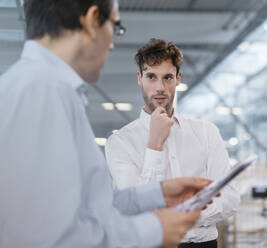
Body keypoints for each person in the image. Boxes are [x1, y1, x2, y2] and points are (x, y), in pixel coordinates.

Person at [0, 1, 213, 247]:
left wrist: (156, 194)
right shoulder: (40, 93)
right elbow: (53, 237)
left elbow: (81, 207)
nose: (112, 45)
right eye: (115, 27)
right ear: (92, 20)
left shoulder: (43, 87)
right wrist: (155, 230)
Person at [105, 39, 240, 248]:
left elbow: (230, 198)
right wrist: (154, 144)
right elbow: (134, 208)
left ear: (178, 79)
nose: (160, 87)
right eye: (151, 77)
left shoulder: (206, 133)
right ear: (140, 78)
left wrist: (177, 214)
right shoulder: (120, 143)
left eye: (167, 77)